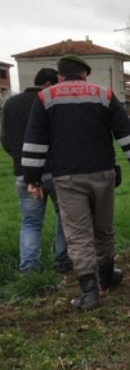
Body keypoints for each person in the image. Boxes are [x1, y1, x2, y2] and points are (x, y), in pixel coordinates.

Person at [21, 55, 130, 310]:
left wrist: (32, 178)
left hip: (68, 177)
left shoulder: (45, 97)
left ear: (60, 75)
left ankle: (90, 292)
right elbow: (127, 135)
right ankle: (107, 276)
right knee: (103, 228)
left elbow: (35, 141)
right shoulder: (103, 95)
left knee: (79, 234)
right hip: (104, 174)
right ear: (85, 75)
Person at [1, 68, 72, 274]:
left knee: (31, 222)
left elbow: (5, 139)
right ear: (49, 84)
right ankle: (63, 260)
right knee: (64, 216)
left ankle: (29, 268)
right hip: (55, 171)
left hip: (24, 173)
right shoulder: (50, 101)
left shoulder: (11, 104)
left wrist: (18, 158)